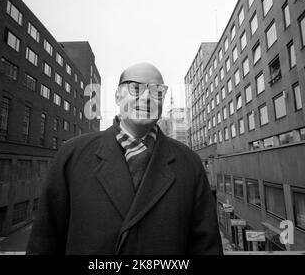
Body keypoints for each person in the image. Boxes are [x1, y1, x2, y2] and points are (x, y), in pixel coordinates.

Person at [26, 63, 223, 255]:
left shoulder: (189, 163)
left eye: (157, 91)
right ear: (117, 96)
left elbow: (206, 246)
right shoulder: (72, 155)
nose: (146, 98)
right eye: (135, 88)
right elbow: (45, 242)